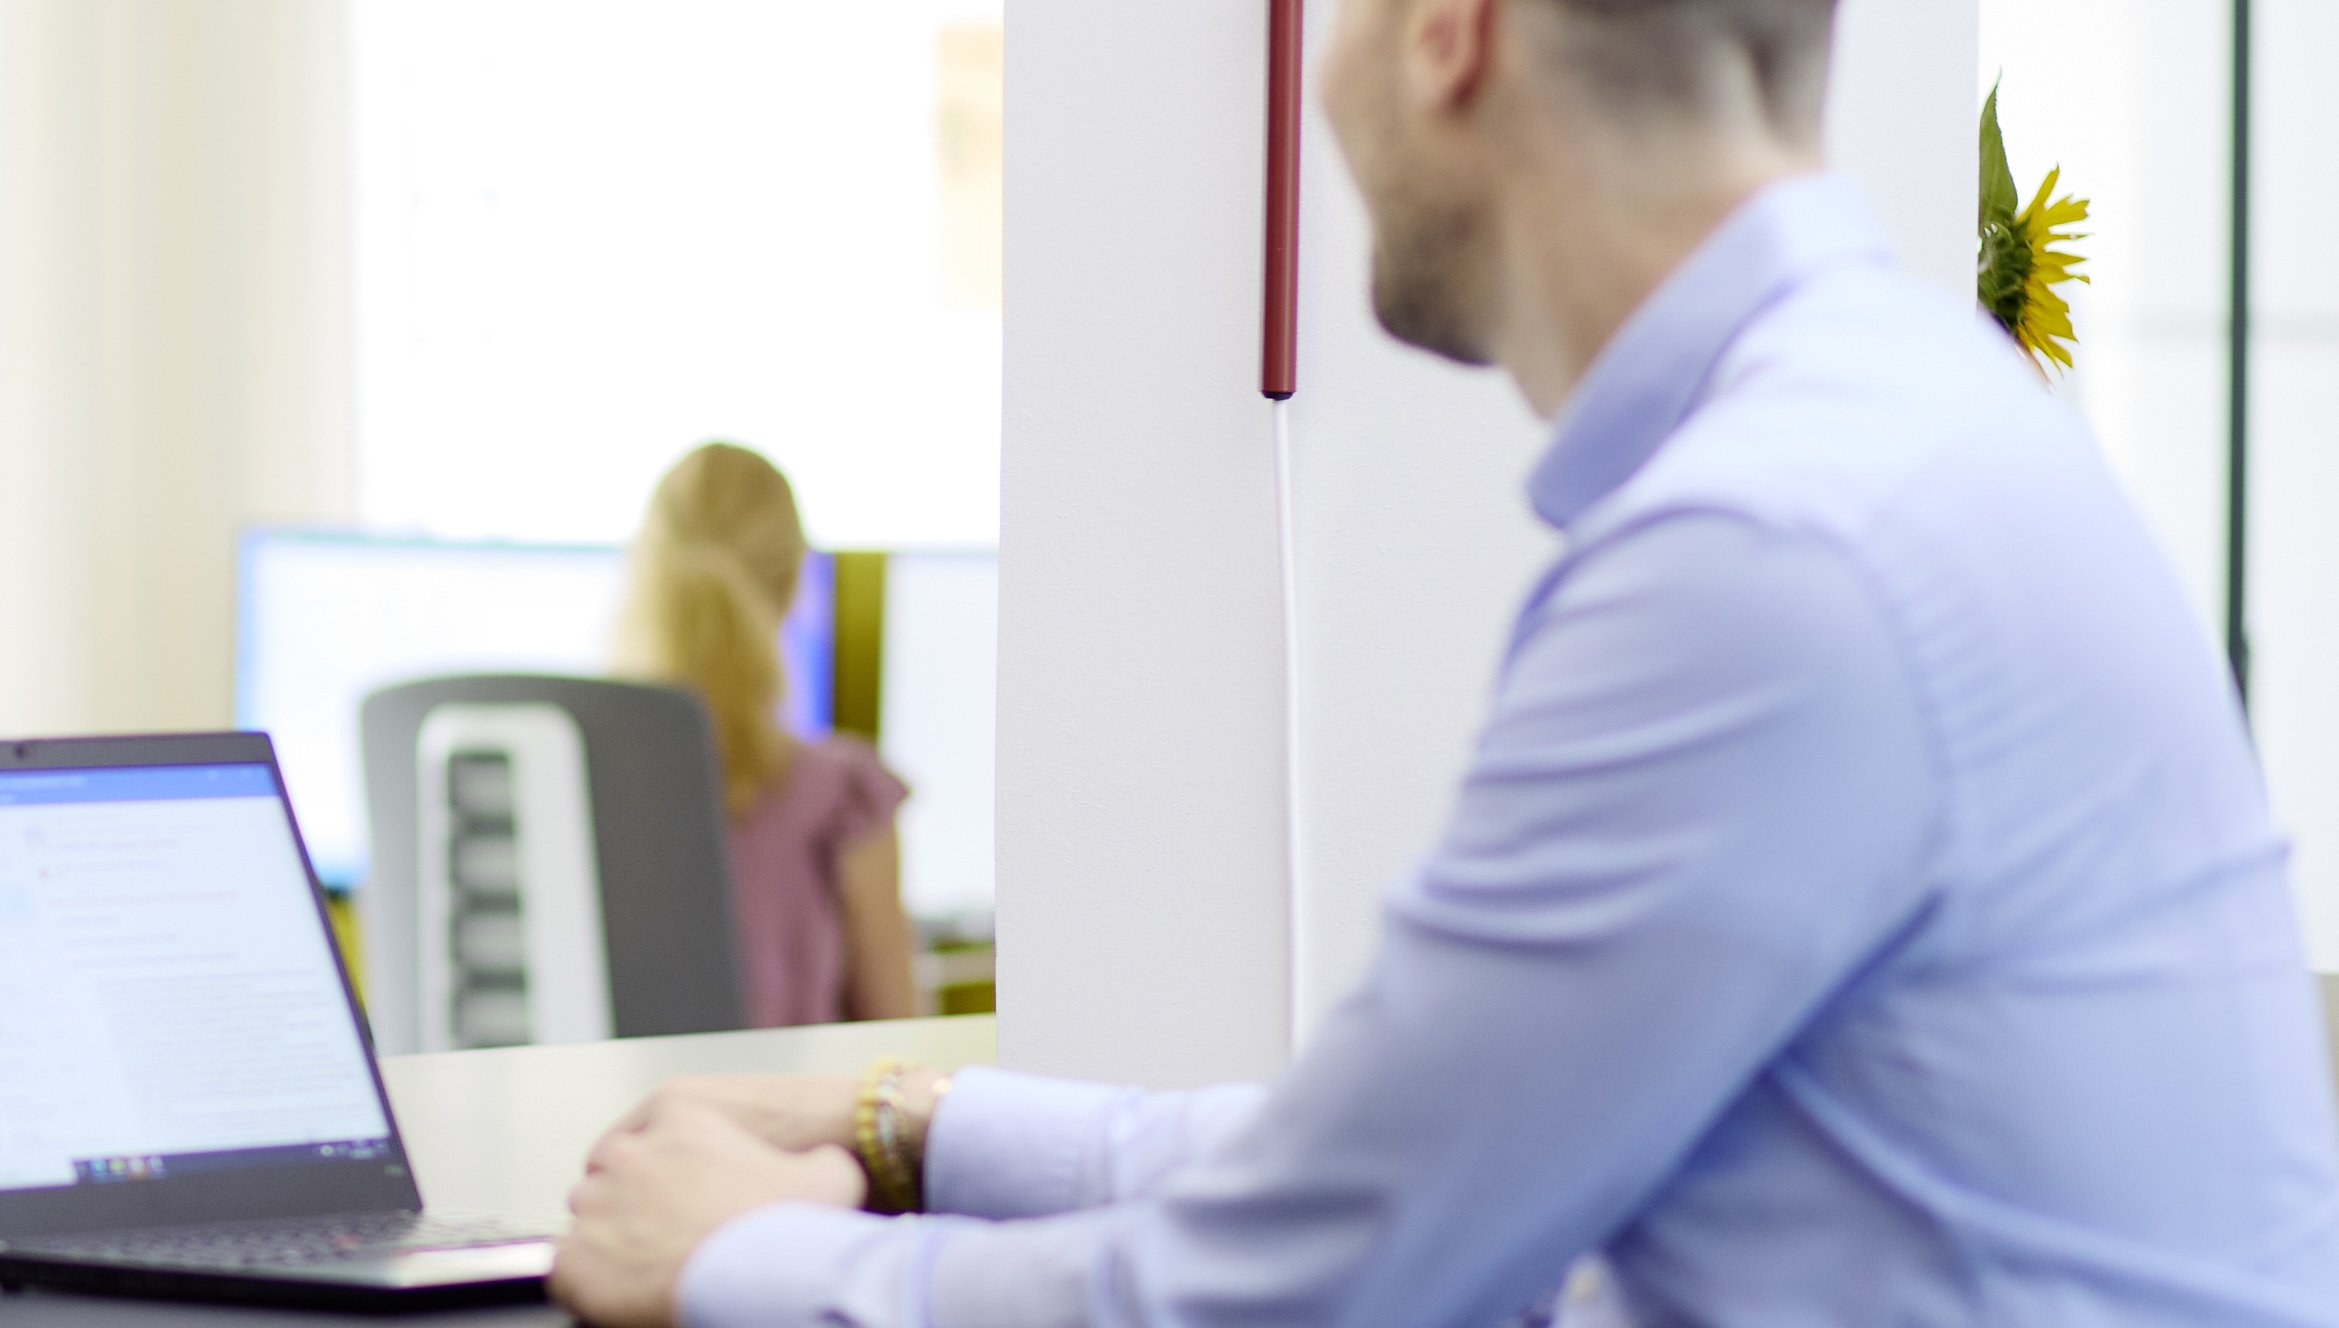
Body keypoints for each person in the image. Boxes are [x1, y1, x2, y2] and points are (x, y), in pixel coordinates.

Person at [548, 0, 2339, 1322]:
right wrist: (916, 1122)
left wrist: (738, 1257)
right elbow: (1429, 1148)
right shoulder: (1911, 427)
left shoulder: (1763, 556)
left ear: (1447, 31)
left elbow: (1319, 1284)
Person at [616, 442, 925, 1028]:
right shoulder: (844, 795)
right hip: (789, 1094)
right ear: (792, 583)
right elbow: (898, 1041)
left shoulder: (580, 783)